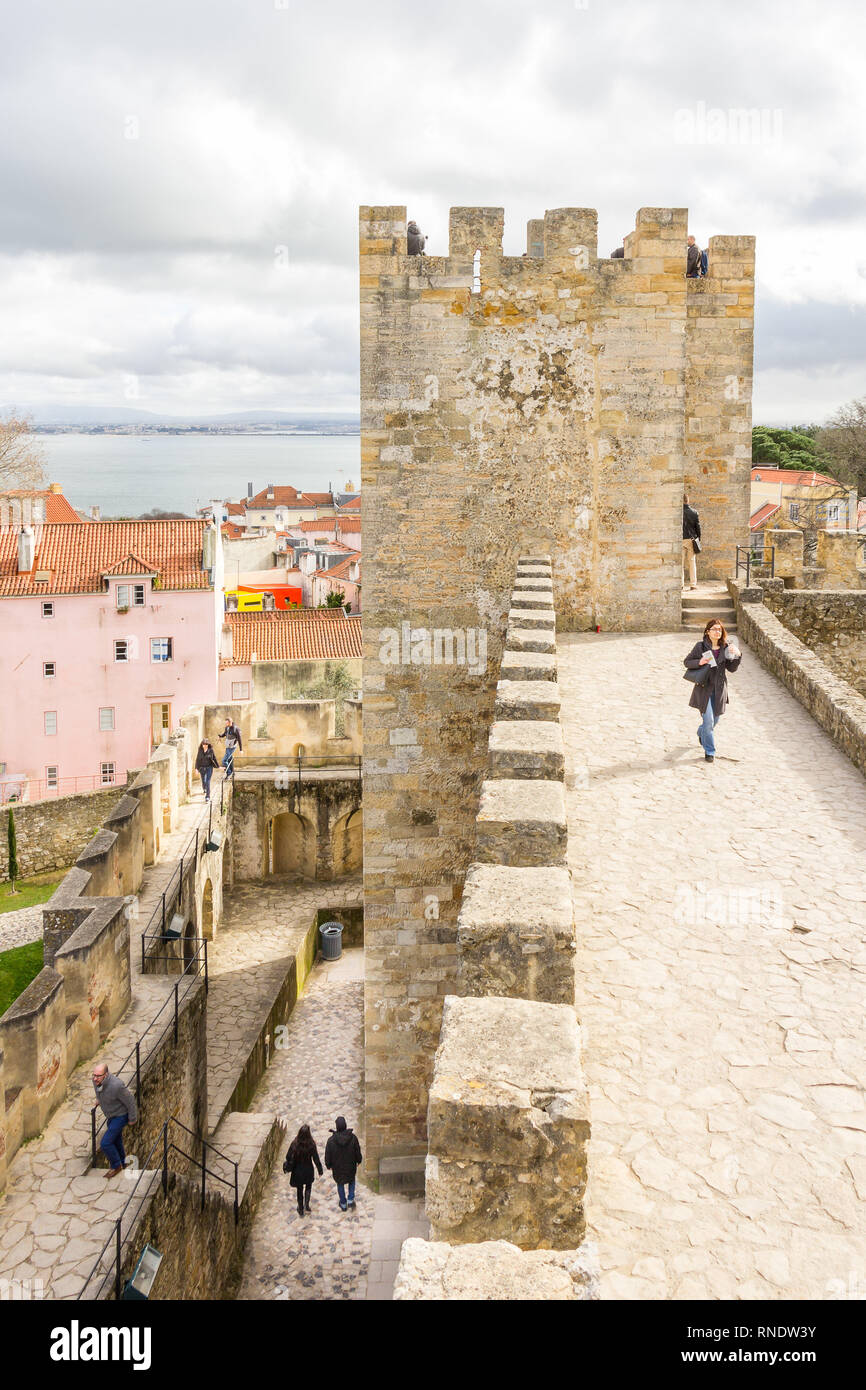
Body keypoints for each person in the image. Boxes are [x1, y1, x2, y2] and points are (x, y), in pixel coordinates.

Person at [683, 618, 742, 763]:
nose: (717, 632)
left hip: (720, 689)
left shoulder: (726, 647)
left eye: (719, 629)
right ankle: (710, 751)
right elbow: (687, 662)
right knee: (708, 721)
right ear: (708, 631)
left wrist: (738, 655)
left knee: (714, 721)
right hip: (704, 689)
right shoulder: (700, 647)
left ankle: (700, 732)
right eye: (714, 629)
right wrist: (699, 662)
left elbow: (732, 669)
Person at [92, 1063, 138, 1178]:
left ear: (106, 1075)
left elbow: (130, 1100)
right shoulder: (96, 1081)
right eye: (94, 1075)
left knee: (105, 1143)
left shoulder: (116, 1085)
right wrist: (99, 1099)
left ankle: (116, 1166)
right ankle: (123, 1163)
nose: (95, 1078)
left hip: (120, 1115)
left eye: (98, 1076)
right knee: (116, 1141)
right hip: (110, 1116)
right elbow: (98, 1091)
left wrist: (132, 1118)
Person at [283, 1124, 323, 1216]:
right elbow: (316, 1158)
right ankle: (307, 1205)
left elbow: (288, 1156)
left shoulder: (294, 1144)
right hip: (308, 1170)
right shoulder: (311, 1144)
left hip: (298, 1171)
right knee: (308, 1187)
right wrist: (320, 1170)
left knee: (299, 1189)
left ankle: (300, 1208)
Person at [324, 1115, 363, 1211]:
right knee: (351, 1181)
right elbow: (357, 1151)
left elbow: (328, 1155)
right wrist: (359, 1160)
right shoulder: (353, 1138)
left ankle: (343, 1203)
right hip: (350, 1166)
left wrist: (328, 1165)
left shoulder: (331, 1141)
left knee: (340, 1183)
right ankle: (350, 1199)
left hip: (338, 1168)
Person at [682, 493, 701, 590]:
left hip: (680, 539)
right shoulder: (694, 512)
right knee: (692, 562)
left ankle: (680, 584)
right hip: (691, 539)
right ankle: (693, 584)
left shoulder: (678, 512)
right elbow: (698, 528)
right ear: (687, 500)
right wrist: (698, 539)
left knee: (680, 564)